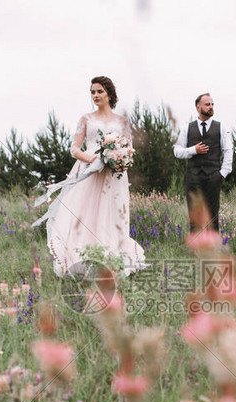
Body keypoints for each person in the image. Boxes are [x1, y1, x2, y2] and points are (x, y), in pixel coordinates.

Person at [33, 76, 148, 278]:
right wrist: (92, 158)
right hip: (89, 172)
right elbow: (74, 148)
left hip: (114, 175)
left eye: (99, 91)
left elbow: (130, 148)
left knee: (112, 214)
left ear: (109, 94)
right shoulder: (86, 119)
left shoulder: (122, 122)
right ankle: (83, 260)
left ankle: (113, 259)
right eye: (93, 92)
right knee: (86, 215)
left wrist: (119, 158)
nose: (95, 95)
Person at [173, 93, 233, 231]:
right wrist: (193, 150)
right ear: (198, 107)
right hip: (192, 178)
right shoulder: (187, 128)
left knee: (212, 216)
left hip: (213, 177)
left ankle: (213, 250)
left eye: (212, 104)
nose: (211, 107)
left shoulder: (222, 127)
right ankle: (195, 251)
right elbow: (176, 151)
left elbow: (228, 150)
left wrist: (223, 173)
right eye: (207, 104)